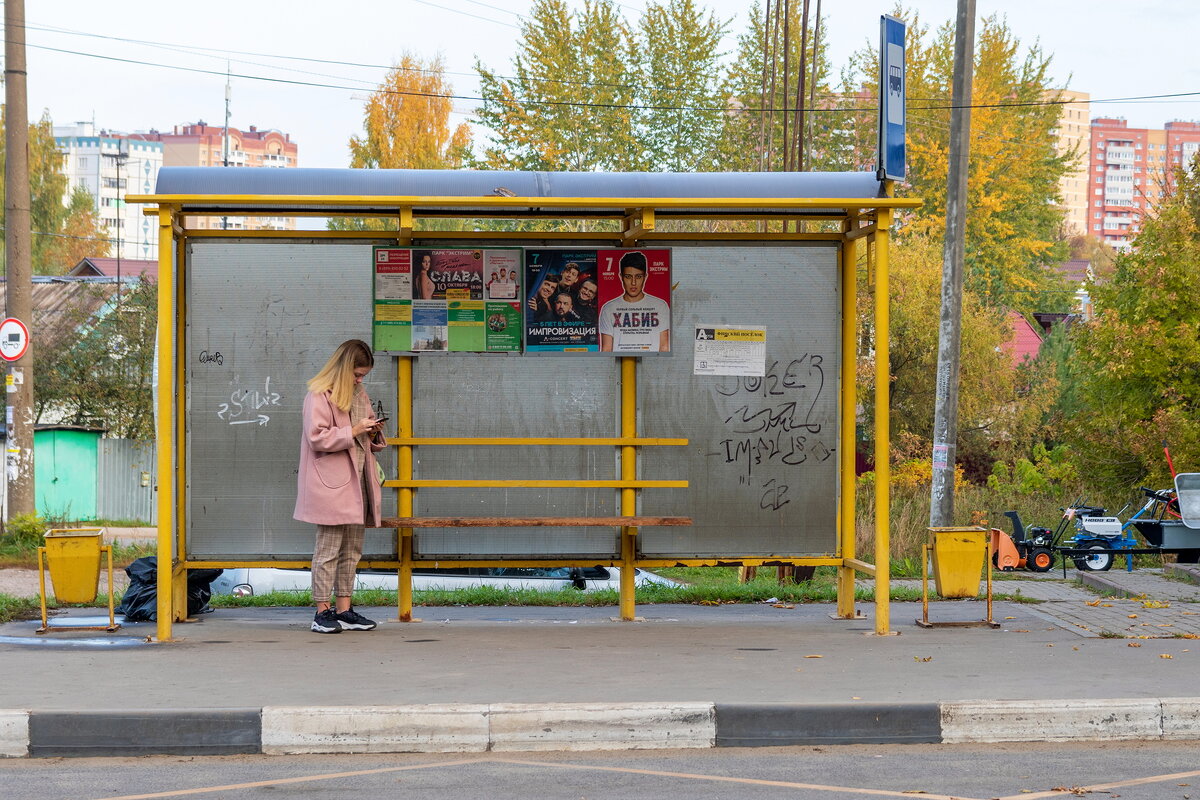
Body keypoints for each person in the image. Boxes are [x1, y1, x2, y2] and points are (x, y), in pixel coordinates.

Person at [294, 339, 387, 634]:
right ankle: (322, 611)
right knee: (328, 548)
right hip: (331, 484)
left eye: (364, 376)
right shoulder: (319, 395)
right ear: (344, 368)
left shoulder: (359, 394)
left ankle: (344, 609)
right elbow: (317, 437)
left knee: (352, 548)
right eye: (357, 374)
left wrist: (372, 431)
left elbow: (363, 433)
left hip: (359, 477)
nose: (360, 380)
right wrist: (356, 429)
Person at [599, 251, 670, 352]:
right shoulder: (608, 309)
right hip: (620, 365)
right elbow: (606, 349)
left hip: (651, 365)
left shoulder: (660, 306)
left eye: (638, 277)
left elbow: (664, 347)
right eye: (628, 277)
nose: (633, 283)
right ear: (621, 277)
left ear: (645, 276)